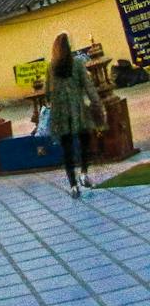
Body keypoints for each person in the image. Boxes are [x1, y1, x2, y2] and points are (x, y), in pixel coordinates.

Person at [44, 32, 104, 196]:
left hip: (60, 114)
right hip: (79, 111)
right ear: (69, 46)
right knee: (85, 142)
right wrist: (97, 105)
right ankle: (84, 173)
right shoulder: (77, 63)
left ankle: (73, 186)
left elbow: (47, 93)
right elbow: (88, 87)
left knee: (67, 150)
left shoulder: (51, 67)